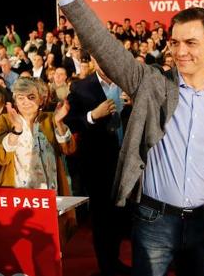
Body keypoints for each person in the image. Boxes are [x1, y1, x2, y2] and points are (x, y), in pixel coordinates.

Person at [42, 0, 204, 276]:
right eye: (175, 42)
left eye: (191, 43)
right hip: (153, 221)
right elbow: (103, 44)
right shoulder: (153, 83)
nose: (180, 51)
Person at [64, 57, 131, 276]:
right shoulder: (81, 87)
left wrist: (135, 105)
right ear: (95, 62)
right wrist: (93, 115)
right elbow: (70, 121)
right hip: (98, 164)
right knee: (103, 217)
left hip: (130, 162)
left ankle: (117, 260)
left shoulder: (130, 83)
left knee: (124, 216)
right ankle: (107, 266)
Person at [0, 77, 77, 243]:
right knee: (20, 246)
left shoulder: (51, 119)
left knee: (50, 247)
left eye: (31, 97)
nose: (25, 102)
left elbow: (69, 149)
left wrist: (59, 123)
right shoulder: (4, 120)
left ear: (41, 99)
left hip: (50, 197)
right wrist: (16, 130)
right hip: (18, 198)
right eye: (20, 97)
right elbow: (0, 158)